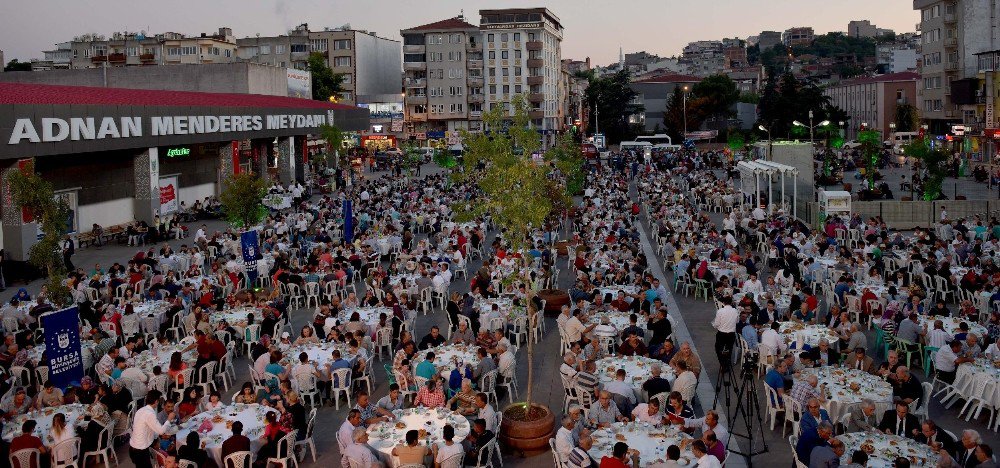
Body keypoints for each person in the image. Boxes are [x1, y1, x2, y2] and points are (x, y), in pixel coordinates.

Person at [129, 391, 175, 468]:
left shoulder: (141, 410)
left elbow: (149, 428)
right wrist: (169, 419)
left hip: (135, 447)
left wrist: (157, 437)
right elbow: (161, 431)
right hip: (140, 449)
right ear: (156, 401)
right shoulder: (150, 413)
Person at [711, 296, 739, 366]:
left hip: (722, 334)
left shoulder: (720, 311)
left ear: (723, 303)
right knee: (729, 349)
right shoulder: (735, 311)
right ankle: (727, 363)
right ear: (731, 302)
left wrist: (714, 325)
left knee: (718, 349)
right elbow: (737, 321)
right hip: (731, 334)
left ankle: (723, 364)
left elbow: (717, 323)